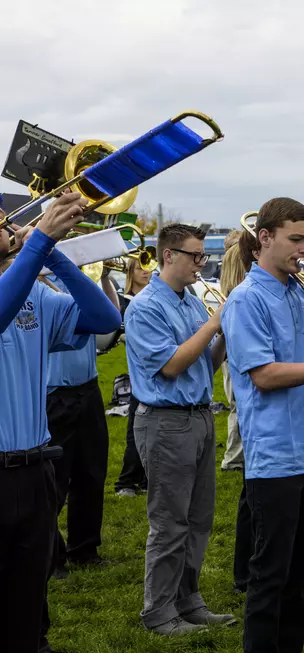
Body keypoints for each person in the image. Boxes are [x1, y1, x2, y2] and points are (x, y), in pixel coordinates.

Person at [222, 197, 304, 653]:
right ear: (265, 238)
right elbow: (265, 375)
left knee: (300, 575)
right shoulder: (246, 298)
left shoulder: (298, 290)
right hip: (276, 456)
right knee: (270, 578)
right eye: (297, 239)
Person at [0, 192, 121, 653]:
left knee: (29, 608)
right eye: (1, 222)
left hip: (33, 472)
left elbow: (105, 318)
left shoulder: (33, 290)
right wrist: (39, 241)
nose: (10, 226)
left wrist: (57, 256)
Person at [125, 223, 235, 635]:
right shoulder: (145, 306)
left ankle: (188, 601)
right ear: (169, 255)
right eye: (195, 256)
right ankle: (158, 612)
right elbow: (171, 366)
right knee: (170, 523)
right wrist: (214, 323)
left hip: (199, 416)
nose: (200, 264)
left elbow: (205, 362)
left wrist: (224, 331)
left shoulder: (189, 300)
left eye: (202, 256)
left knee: (198, 519)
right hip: (166, 421)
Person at [45, 263, 120, 578]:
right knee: (54, 482)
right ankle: (52, 557)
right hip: (53, 393)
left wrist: (102, 275)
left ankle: (85, 548)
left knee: (92, 474)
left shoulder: (80, 281)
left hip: (86, 389)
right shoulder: (41, 282)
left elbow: (111, 325)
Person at [114, 257, 153, 497]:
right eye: (140, 267)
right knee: (135, 429)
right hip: (139, 371)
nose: (146, 271)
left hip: (154, 371)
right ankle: (126, 482)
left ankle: (147, 479)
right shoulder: (125, 300)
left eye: (148, 266)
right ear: (130, 272)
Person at [219, 237, 246, 472]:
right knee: (239, 405)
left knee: (238, 404)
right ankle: (233, 459)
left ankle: (236, 457)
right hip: (234, 352)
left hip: (232, 353)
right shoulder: (239, 291)